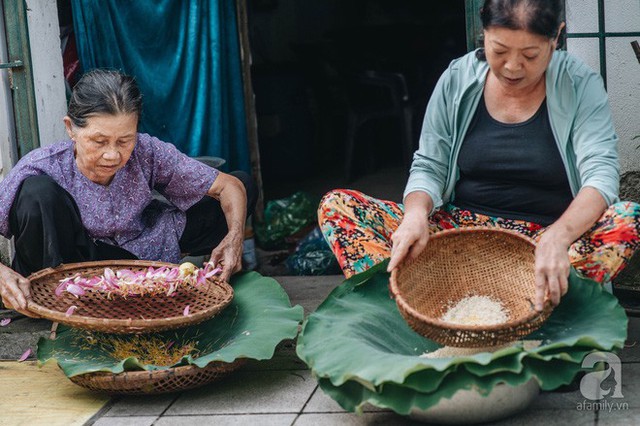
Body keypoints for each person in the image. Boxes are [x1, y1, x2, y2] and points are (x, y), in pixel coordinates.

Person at [318, 0, 640, 311]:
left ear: (556, 37)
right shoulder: (457, 79)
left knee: (626, 219)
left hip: (542, 245)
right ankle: (418, 309)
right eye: (499, 51)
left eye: (530, 54)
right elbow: (429, 165)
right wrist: (415, 214)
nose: (513, 67)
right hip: (458, 241)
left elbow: (600, 178)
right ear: (483, 33)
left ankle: (535, 306)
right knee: (339, 207)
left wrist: (558, 237)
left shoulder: (579, 85)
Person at [0, 69, 257, 316]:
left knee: (242, 185)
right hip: (72, 263)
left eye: (125, 141)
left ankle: (145, 282)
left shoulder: (147, 151)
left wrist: (234, 237)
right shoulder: (42, 165)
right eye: (99, 141)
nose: (113, 155)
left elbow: (229, 186)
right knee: (37, 192)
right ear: (71, 128)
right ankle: (55, 300)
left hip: (141, 250)